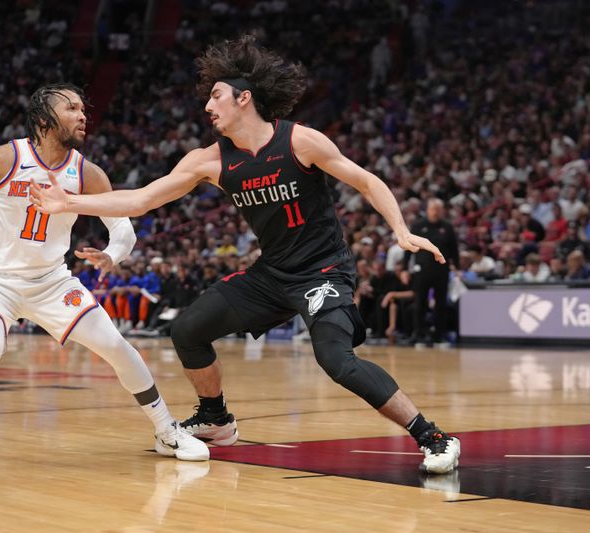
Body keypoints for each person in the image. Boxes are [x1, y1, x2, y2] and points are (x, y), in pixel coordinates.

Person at [30, 36, 460, 474]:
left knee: (336, 360)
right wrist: (69, 202)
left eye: (216, 96)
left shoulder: (300, 142)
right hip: (272, 274)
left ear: (244, 98)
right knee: (188, 330)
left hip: (322, 271)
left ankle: (434, 436)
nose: (208, 107)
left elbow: (367, 181)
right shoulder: (210, 161)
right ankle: (216, 419)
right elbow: (142, 199)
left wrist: (401, 231)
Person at [0, 83, 207, 463]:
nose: (82, 115)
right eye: (71, 108)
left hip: (52, 282)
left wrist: (112, 255)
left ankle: (167, 430)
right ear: (43, 119)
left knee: (117, 347)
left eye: (83, 108)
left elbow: (123, 229)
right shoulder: (1, 159)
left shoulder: (87, 172)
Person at [407, 199, 459, 346]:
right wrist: (405, 268)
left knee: (441, 304)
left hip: (442, 271)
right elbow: (408, 247)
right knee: (420, 304)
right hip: (422, 271)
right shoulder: (418, 226)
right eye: (433, 209)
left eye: (438, 209)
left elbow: (454, 250)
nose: (435, 212)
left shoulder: (447, 227)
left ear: (442, 211)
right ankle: (419, 335)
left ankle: (439, 336)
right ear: (427, 210)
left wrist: (457, 267)